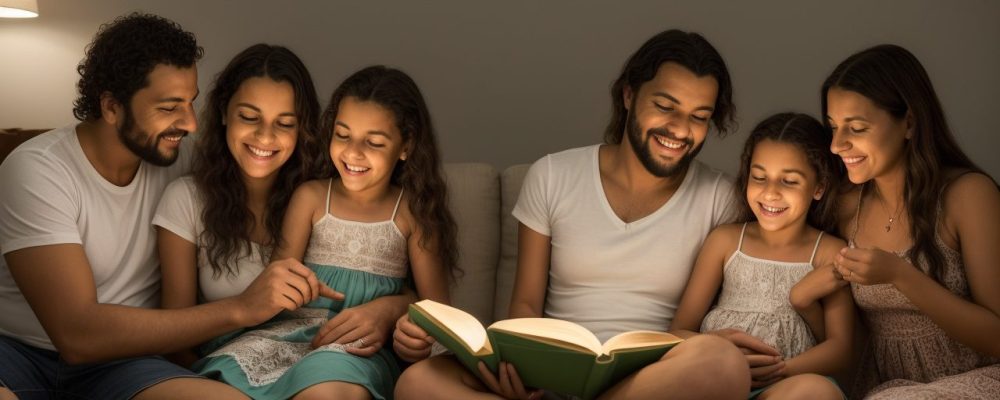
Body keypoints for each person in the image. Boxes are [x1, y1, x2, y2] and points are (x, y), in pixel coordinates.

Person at [394, 29, 751, 400]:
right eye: (665, 107)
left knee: (723, 362)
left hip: (653, 379)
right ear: (629, 95)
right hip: (554, 373)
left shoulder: (720, 198)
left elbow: (699, 324)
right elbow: (526, 304)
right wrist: (518, 371)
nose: (680, 129)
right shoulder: (553, 175)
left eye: (699, 117)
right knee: (418, 382)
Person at [0, 13, 257, 400]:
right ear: (111, 107)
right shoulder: (37, 169)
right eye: (169, 107)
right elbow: (76, 334)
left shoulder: (182, 162)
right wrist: (240, 309)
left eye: (190, 103)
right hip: (18, 354)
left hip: (125, 362)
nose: (190, 124)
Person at [183, 65, 457, 400]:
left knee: (325, 389)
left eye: (373, 142)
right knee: (223, 381)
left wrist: (408, 331)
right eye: (342, 135)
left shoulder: (413, 212)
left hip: (356, 349)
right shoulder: (311, 197)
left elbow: (437, 310)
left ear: (406, 146)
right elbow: (277, 280)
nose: (353, 153)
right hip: (292, 333)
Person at [816, 44, 1000, 398]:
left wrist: (900, 275)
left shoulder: (968, 195)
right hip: (887, 387)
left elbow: (997, 336)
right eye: (833, 127)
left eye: (856, 128)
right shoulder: (846, 206)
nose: (837, 145)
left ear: (910, 123)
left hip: (979, 378)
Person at [671, 112, 852, 399]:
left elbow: (841, 349)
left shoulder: (829, 252)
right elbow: (678, 331)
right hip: (717, 380)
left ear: (819, 187)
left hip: (787, 385)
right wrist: (717, 350)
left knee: (815, 391)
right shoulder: (725, 241)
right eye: (759, 177)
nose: (770, 193)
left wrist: (778, 371)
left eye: (789, 181)